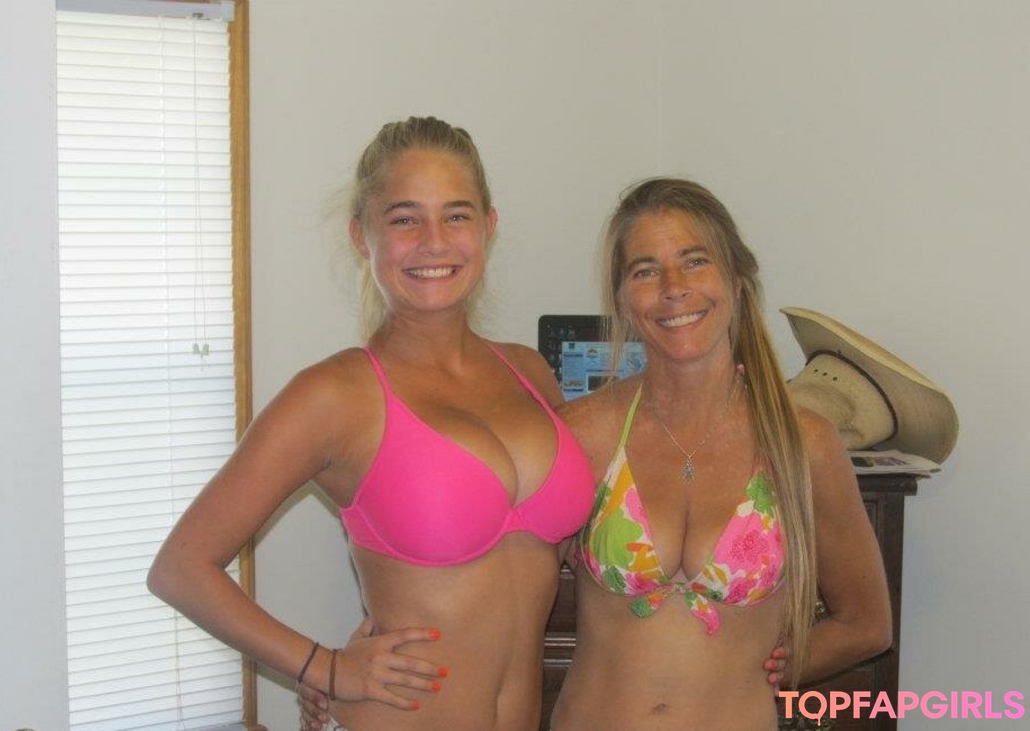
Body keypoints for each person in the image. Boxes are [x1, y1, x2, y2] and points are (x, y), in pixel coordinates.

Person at [147, 116, 597, 731]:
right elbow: (180, 568)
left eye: (457, 215)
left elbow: (574, 558)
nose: (434, 242)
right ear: (363, 235)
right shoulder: (337, 396)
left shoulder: (529, 373)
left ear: (488, 227)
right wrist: (325, 669)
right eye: (405, 219)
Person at [550, 178, 892, 730]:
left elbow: (867, 624)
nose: (674, 288)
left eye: (695, 261)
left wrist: (783, 666)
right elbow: (508, 600)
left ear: (738, 279)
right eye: (645, 271)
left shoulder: (803, 443)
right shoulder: (582, 432)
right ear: (623, 300)